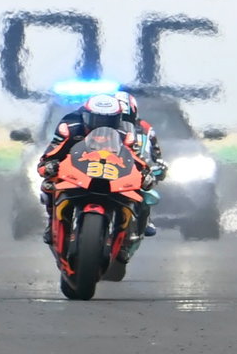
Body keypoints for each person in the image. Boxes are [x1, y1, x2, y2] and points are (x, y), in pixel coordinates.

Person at [37, 94, 155, 245]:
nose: (102, 124)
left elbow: (135, 158)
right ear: (86, 116)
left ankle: (127, 236)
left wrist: (145, 172)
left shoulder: (125, 133)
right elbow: (54, 150)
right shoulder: (70, 126)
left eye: (109, 120)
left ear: (118, 119)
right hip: (76, 168)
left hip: (110, 171)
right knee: (48, 184)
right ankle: (51, 222)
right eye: (97, 119)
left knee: (138, 192)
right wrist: (48, 165)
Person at [114, 89, 166, 238]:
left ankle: (143, 222)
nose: (122, 121)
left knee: (146, 193)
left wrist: (158, 166)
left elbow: (156, 153)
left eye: (126, 117)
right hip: (102, 166)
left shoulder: (146, 128)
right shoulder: (98, 126)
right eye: (118, 117)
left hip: (133, 169)